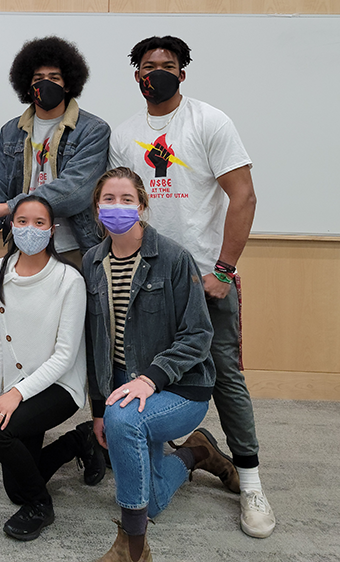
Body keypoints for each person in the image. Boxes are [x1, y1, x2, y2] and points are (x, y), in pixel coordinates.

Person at [107, 36, 273, 538]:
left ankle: (250, 483)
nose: (157, 72)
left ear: (182, 73)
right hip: (147, 279)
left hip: (205, 279)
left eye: (168, 66)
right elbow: (124, 206)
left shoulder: (210, 122)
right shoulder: (125, 133)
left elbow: (243, 196)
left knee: (224, 376)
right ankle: (180, 453)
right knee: (144, 372)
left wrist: (223, 270)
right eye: (148, 66)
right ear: (136, 74)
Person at [83, 168, 229, 562]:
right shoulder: (92, 262)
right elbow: (96, 343)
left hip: (180, 388)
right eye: (108, 200)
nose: (117, 207)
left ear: (143, 206)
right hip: (122, 386)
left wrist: (152, 378)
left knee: (123, 420)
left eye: (126, 199)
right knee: (153, 501)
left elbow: (198, 335)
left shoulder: (172, 258)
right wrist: (99, 409)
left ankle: (133, 548)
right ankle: (196, 453)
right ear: (97, 209)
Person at [0, 195, 88, 541]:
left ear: (52, 230)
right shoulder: (0, 270)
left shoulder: (68, 279)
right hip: (18, 386)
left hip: (59, 386)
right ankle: (78, 441)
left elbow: (65, 357)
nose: (30, 229)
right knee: (15, 487)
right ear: (12, 226)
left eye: (39, 223)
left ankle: (40, 506)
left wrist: (15, 395)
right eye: (22, 221)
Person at [0, 36, 110, 266]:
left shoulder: (93, 130)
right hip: (23, 245)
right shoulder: (10, 131)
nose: (46, 84)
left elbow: (74, 192)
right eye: (38, 78)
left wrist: (9, 207)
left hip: (74, 248)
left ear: (67, 83)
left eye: (54, 78)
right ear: (27, 84)